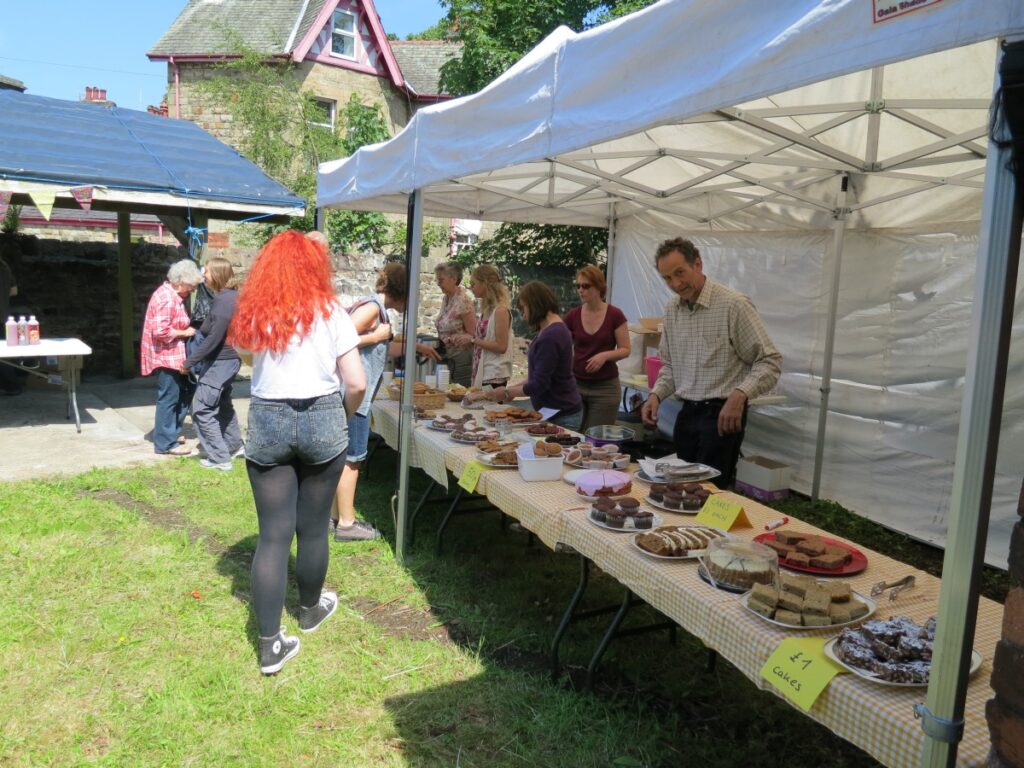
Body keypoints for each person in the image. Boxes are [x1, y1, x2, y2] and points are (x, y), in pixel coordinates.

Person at [228, 230, 366, 675]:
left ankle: (270, 646)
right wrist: (342, 419)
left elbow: (244, 354)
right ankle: (309, 611)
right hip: (323, 414)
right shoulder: (333, 312)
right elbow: (357, 382)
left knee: (272, 535)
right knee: (313, 530)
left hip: (268, 417)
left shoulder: (258, 311)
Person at [640, 237, 782, 488]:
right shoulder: (672, 309)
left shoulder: (733, 305)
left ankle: (707, 528)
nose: (675, 283)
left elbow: (769, 361)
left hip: (721, 415)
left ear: (698, 264)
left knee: (709, 493)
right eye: (667, 278)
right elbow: (670, 365)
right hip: (687, 415)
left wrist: (739, 395)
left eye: (680, 273)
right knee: (678, 489)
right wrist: (656, 395)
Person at [331, 262, 410, 543]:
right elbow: (340, 339)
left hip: (352, 395)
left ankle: (335, 517)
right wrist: (375, 336)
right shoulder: (373, 308)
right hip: (353, 396)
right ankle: (347, 524)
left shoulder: (376, 307)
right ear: (402, 291)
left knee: (343, 458)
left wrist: (415, 346)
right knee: (352, 459)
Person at [484, 281, 583, 430]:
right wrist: (513, 390)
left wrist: (506, 392)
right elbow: (538, 375)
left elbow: (539, 384)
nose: (524, 315)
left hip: (562, 414)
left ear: (534, 304)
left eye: (524, 308)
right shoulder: (552, 329)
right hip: (558, 411)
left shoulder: (551, 336)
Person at [183, 258, 243, 471]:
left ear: (216, 274)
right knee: (223, 405)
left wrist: (189, 362)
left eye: (206, 271)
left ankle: (219, 458)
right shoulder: (228, 297)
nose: (203, 275)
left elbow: (214, 338)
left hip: (221, 362)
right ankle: (235, 446)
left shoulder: (224, 301)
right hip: (226, 361)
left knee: (201, 408)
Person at [140, 260, 203, 455]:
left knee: (185, 391)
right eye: (190, 287)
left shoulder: (173, 295)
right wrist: (186, 333)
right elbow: (160, 331)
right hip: (166, 357)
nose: (191, 291)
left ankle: (171, 433)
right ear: (180, 282)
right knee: (169, 397)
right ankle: (165, 443)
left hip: (175, 355)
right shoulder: (166, 298)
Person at [563, 265, 630, 431]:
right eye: (578, 286)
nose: (580, 290)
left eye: (586, 286)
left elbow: (625, 349)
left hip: (605, 389)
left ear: (599, 286)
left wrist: (605, 356)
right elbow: (561, 346)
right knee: (572, 436)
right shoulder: (572, 315)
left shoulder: (615, 315)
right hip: (576, 384)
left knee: (595, 440)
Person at [451, 263, 512, 389]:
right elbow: (485, 339)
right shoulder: (487, 309)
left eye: (474, 284)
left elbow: (501, 346)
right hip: (482, 369)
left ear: (485, 284)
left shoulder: (500, 311)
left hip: (494, 374)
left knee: (490, 408)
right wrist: (465, 338)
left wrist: (473, 340)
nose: (471, 287)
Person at [430, 262, 476, 387]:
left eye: (441, 280)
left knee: (459, 395)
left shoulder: (463, 301)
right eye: (437, 280)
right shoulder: (446, 298)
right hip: (447, 357)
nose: (438, 284)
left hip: (461, 358)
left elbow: (473, 334)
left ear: (454, 279)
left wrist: (457, 338)